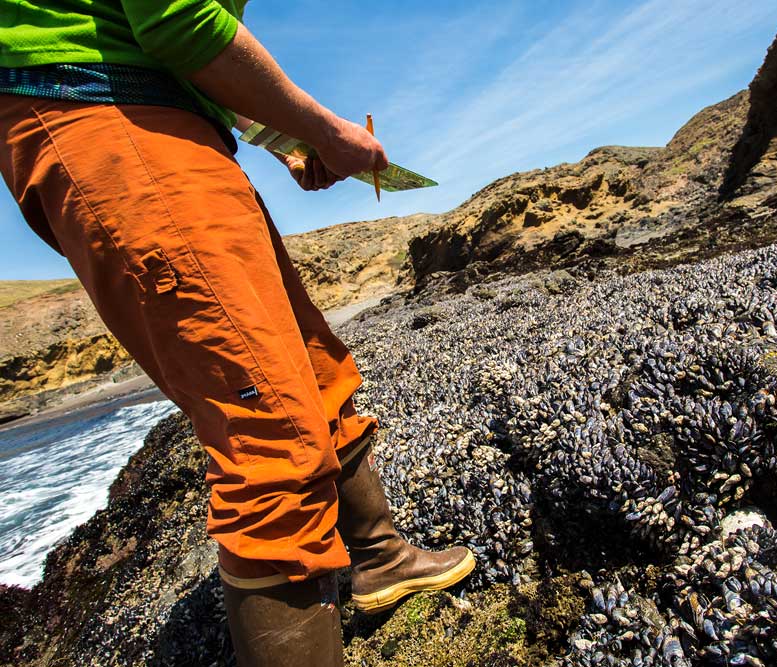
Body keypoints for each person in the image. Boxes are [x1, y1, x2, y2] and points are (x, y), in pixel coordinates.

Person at [0, 1, 475, 665]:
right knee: (267, 432)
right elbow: (173, 16)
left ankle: (381, 557)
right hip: (105, 110)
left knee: (311, 368)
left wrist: (288, 135)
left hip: (163, 117)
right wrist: (326, 129)